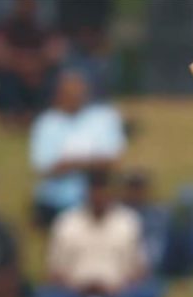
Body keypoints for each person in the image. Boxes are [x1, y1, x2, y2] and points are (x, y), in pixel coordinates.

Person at [35, 169, 162, 297]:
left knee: (151, 291)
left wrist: (115, 288)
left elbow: (140, 269)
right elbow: (54, 272)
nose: (98, 198)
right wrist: (80, 289)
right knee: (44, 296)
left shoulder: (128, 221)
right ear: (86, 194)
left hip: (118, 291)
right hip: (77, 293)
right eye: (94, 193)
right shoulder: (66, 222)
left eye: (103, 193)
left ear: (111, 194)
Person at [29, 70, 125, 228]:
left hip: (97, 201)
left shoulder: (104, 117)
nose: (74, 97)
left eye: (78, 92)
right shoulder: (46, 123)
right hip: (56, 202)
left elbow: (113, 162)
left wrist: (70, 163)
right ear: (59, 94)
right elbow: (44, 168)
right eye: (69, 93)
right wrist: (91, 162)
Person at [0, 0, 64, 126]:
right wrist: (22, 65)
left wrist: (34, 65)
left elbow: (56, 52)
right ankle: (13, 114)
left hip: (38, 76)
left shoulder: (43, 28)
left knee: (53, 78)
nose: (26, 7)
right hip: (13, 75)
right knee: (5, 78)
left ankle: (42, 114)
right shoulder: (6, 26)